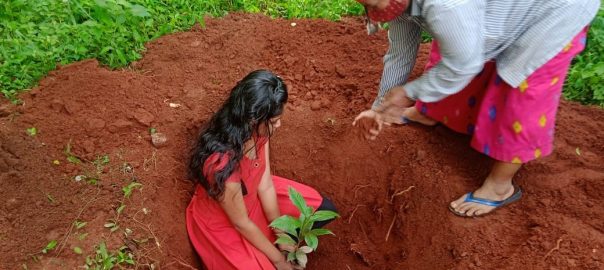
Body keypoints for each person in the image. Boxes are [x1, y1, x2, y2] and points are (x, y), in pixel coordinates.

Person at [353, 0, 600, 217]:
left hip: (552, 12)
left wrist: (409, 92)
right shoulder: (401, 6)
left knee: (521, 88)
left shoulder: (448, 6)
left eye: (374, 4)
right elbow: (400, 53)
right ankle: (429, 112)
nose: (372, 10)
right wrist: (381, 108)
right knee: (454, 49)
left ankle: (500, 187)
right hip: (490, 11)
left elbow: (462, 65)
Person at [186, 70, 337, 270]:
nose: (279, 125)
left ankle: (275, 248)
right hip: (225, 222)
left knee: (323, 208)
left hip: (253, 197)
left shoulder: (257, 133)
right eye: (274, 121)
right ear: (252, 120)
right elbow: (241, 223)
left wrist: (281, 232)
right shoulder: (220, 163)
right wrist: (279, 261)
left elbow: (265, 185)